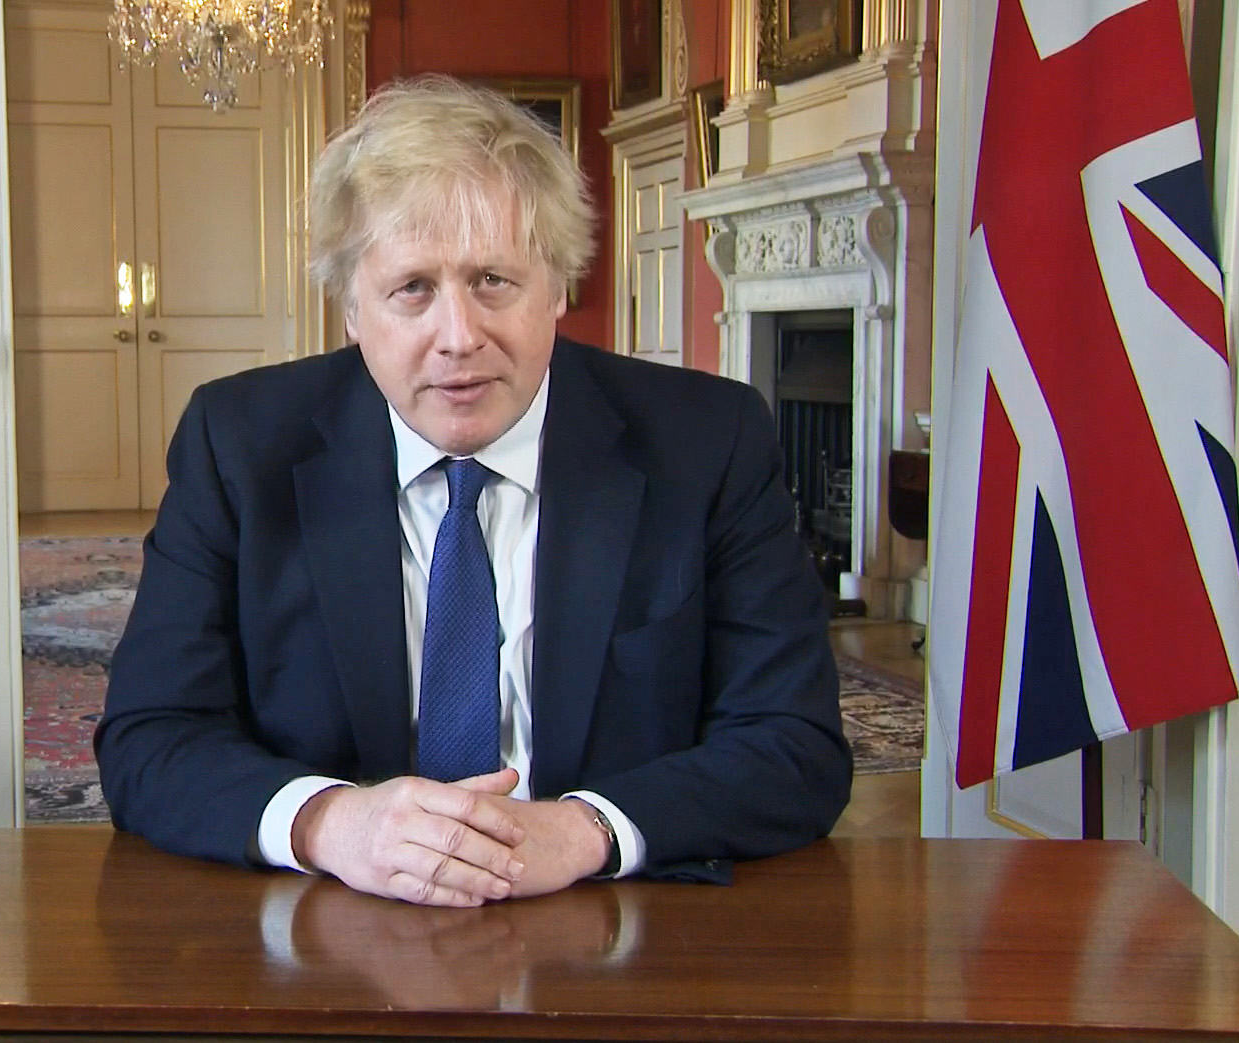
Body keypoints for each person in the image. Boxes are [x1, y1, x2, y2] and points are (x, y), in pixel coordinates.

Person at [96, 75, 850, 908]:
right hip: (330, 932)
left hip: (615, 929)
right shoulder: (238, 445)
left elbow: (796, 744)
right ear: (351, 307)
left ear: (559, 286)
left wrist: (586, 828)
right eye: (412, 289)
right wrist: (330, 821)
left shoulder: (709, 442)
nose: (459, 337)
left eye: (493, 280)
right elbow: (150, 736)